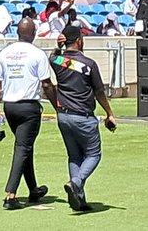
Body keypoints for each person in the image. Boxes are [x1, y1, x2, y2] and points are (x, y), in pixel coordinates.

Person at [47, 25, 116, 213]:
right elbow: (99, 92)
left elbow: (51, 57)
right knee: (94, 154)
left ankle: (79, 199)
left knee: (74, 156)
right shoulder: (89, 64)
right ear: (79, 40)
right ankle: (76, 182)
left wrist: (58, 47)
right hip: (83, 116)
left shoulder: (58, 60)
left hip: (63, 116)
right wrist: (110, 113)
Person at [0, 17, 54, 210]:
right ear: (33, 34)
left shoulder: (5, 52)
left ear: (17, 33)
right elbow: (47, 84)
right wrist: (58, 105)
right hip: (29, 107)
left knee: (25, 147)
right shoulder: (37, 54)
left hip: (10, 107)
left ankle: (33, 189)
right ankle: (11, 195)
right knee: (23, 148)